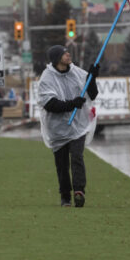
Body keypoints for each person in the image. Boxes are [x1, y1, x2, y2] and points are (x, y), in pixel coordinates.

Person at [38, 45, 99, 208]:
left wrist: (92, 78)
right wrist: (72, 104)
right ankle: (65, 196)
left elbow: (92, 93)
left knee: (77, 156)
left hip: (78, 126)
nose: (68, 54)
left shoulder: (77, 73)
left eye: (67, 52)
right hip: (57, 129)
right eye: (64, 53)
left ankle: (79, 190)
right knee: (62, 164)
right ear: (57, 59)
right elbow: (50, 104)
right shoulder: (47, 78)